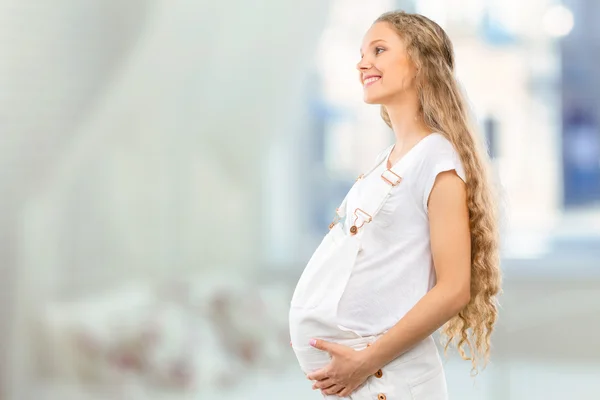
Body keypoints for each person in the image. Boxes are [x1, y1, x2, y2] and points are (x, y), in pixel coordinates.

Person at [288, 10, 501, 399]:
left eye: (379, 50)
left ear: (420, 64)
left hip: (390, 382)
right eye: (362, 52)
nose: (362, 63)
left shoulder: (437, 158)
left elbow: (454, 288)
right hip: (363, 382)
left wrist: (365, 360)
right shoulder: (384, 162)